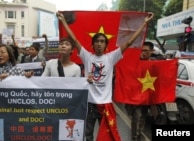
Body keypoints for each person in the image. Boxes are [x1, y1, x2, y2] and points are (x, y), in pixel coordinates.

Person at [57, 11, 154, 141]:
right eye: (96, 41)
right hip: (90, 104)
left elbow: (129, 42)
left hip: (106, 105)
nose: (99, 44)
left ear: (106, 45)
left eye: (102, 41)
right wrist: (63, 20)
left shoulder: (111, 58)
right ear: (93, 44)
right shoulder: (87, 56)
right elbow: (74, 39)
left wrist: (144, 23)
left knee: (107, 135)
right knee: (88, 135)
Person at [125, 41, 157, 141]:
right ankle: (135, 137)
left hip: (147, 97)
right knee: (137, 117)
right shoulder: (134, 63)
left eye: (146, 51)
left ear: (152, 51)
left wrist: (174, 65)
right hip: (134, 97)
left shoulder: (154, 65)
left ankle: (138, 133)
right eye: (141, 50)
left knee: (143, 116)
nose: (143, 53)